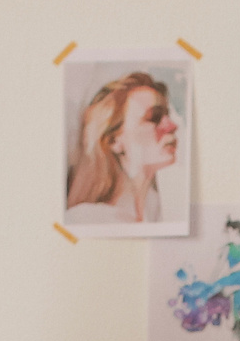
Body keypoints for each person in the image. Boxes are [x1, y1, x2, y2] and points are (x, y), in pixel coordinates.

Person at [64, 72, 180, 226]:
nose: (172, 126)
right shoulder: (86, 220)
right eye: (154, 117)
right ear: (113, 141)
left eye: (167, 115)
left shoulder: (158, 211)